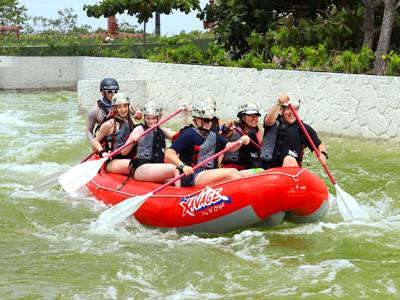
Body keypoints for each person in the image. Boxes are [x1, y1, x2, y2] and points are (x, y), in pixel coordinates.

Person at [165, 99, 251, 187]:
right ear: (196, 119)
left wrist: (240, 141)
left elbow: (230, 147)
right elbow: (169, 154)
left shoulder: (213, 134)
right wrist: (183, 166)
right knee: (232, 173)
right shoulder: (189, 133)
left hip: (207, 172)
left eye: (210, 120)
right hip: (191, 174)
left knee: (236, 172)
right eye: (206, 120)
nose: (209, 123)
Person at [127, 101, 191, 183]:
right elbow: (124, 152)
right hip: (141, 167)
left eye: (153, 118)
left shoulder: (162, 131)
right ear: (144, 117)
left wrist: (185, 115)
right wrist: (132, 141)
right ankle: (180, 195)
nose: (151, 121)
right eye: (148, 118)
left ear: (159, 118)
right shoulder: (139, 129)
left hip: (157, 167)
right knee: (177, 168)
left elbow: (181, 136)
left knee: (178, 179)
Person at [260, 93, 328, 169]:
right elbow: (268, 121)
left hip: (291, 172)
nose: (292, 112)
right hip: (266, 170)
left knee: (289, 160)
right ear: (281, 109)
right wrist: (278, 104)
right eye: (289, 108)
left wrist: (323, 154)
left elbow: (319, 144)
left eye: (295, 109)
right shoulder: (274, 120)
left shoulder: (304, 128)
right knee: (244, 174)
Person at [85, 77, 142, 149]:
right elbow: (88, 130)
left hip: (123, 139)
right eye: (109, 91)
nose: (113, 94)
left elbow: (138, 117)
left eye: (115, 91)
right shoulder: (95, 110)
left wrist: (139, 115)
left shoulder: (125, 104)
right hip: (107, 143)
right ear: (102, 92)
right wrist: (94, 144)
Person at [92, 92, 136, 175]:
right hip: (113, 160)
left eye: (125, 106)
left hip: (129, 155)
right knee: (136, 165)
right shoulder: (109, 124)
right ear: (115, 108)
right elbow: (95, 141)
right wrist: (103, 152)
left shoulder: (130, 121)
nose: (123, 110)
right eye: (119, 107)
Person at [221, 102, 262, 170]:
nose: (254, 119)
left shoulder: (258, 132)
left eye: (256, 116)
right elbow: (221, 135)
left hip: (249, 167)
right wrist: (225, 128)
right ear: (243, 117)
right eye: (251, 116)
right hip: (231, 168)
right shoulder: (233, 129)